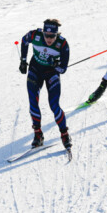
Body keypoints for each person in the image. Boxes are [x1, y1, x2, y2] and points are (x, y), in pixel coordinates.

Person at [19, 19, 72, 157]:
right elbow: (24, 41)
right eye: (46, 35)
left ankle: (64, 134)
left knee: (54, 105)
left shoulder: (62, 44)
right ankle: (38, 135)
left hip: (51, 73)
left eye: (52, 36)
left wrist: (54, 63)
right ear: (43, 33)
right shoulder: (35, 35)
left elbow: (63, 69)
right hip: (35, 70)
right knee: (33, 102)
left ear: (56, 34)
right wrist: (23, 61)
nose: (49, 39)